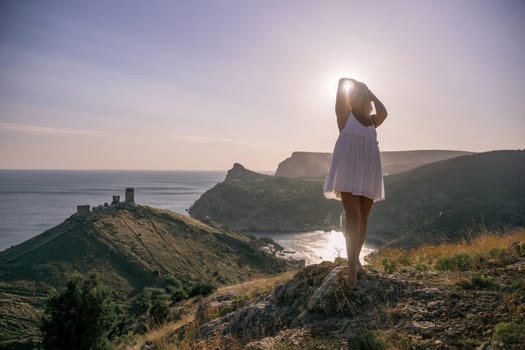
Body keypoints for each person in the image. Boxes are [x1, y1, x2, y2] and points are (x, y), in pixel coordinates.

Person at [323, 78, 388, 288]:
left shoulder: (372, 121)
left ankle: (357, 260)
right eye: (357, 93)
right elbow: (341, 83)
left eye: (362, 93)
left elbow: (384, 111)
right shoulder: (345, 116)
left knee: (363, 217)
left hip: (369, 169)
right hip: (349, 170)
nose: (359, 96)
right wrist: (349, 82)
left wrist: (370, 91)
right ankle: (351, 270)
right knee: (353, 216)